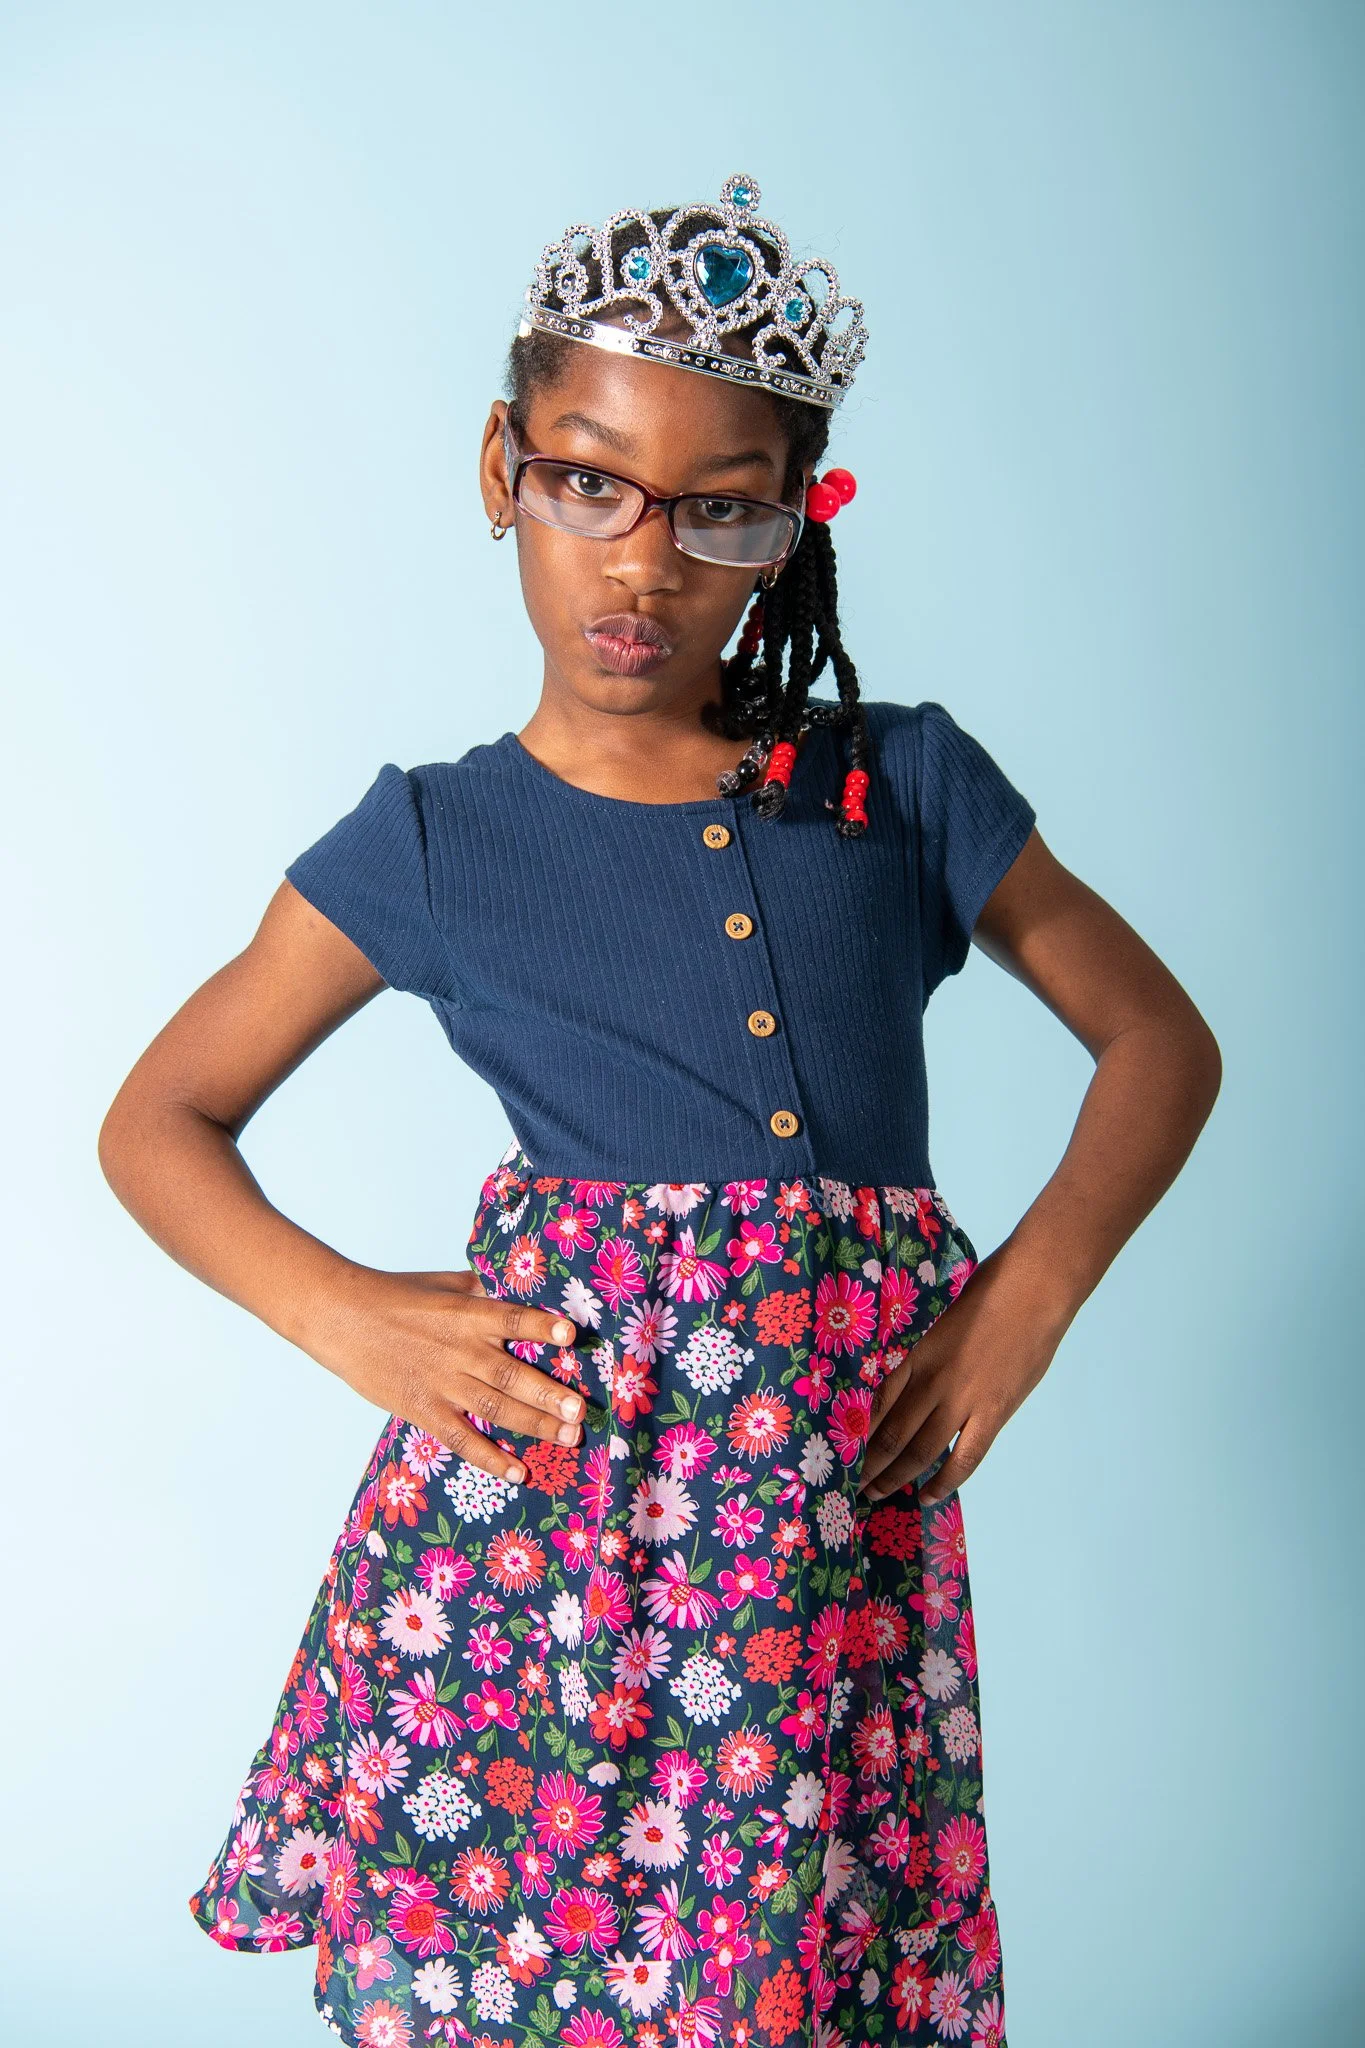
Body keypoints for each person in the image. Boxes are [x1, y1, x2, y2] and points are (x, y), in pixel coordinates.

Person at [99, 175, 1220, 2048]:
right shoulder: (439, 838)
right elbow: (159, 1121)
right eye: (592, 483)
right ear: (503, 469)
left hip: (821, 1535)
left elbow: (1158, 1043)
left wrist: (1019, 1308)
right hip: (541, 1534)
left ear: (796, 520)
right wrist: (350, 1316)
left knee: (794, 1964)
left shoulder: (903, 790)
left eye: (720, 507)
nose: (644, 561)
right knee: (525, 1966)